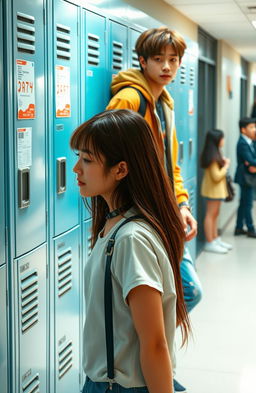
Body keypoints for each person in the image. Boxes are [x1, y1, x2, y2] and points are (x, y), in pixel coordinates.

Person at [107, 27, 202, 392]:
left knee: (180, 294)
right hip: (141, 218)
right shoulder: (130, 100)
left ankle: (147, 364)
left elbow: (170, 164)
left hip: (163, 212)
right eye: (158, 59)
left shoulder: (165, 104)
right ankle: (147, 366)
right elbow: (107, 157)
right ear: (142, 61)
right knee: (186, 291)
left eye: (173, 60)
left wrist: (181, 203)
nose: (166, 66)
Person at [71, 109, 191, 393]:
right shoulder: (115, 224)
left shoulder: (130, 239)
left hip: (120, 387)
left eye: (87, 160)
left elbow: (154, 343)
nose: (76, 168)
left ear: (121, 170)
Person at [200, 129, 232, 253]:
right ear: (216, 140)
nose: (223, 141)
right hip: (213, 191)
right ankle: (210, 242)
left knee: (215, 214)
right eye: (222, 138)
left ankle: (215, 238)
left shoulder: (215, 153)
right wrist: (226, 166)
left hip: (216, 191)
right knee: (210, 215)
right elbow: (216, 176)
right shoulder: (213, 156)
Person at [234, 117, 256, 237]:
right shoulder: (242, 143)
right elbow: (251, 160)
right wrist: (252, 163)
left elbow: (252, 161)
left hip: (248, 176)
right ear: (243, 130)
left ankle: (238, 227)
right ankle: (251, 229)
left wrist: (253, 164)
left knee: (243, 203)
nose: (254, 129)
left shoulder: (250, 141)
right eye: (251, 127)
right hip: (245, 177)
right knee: (248, 204)